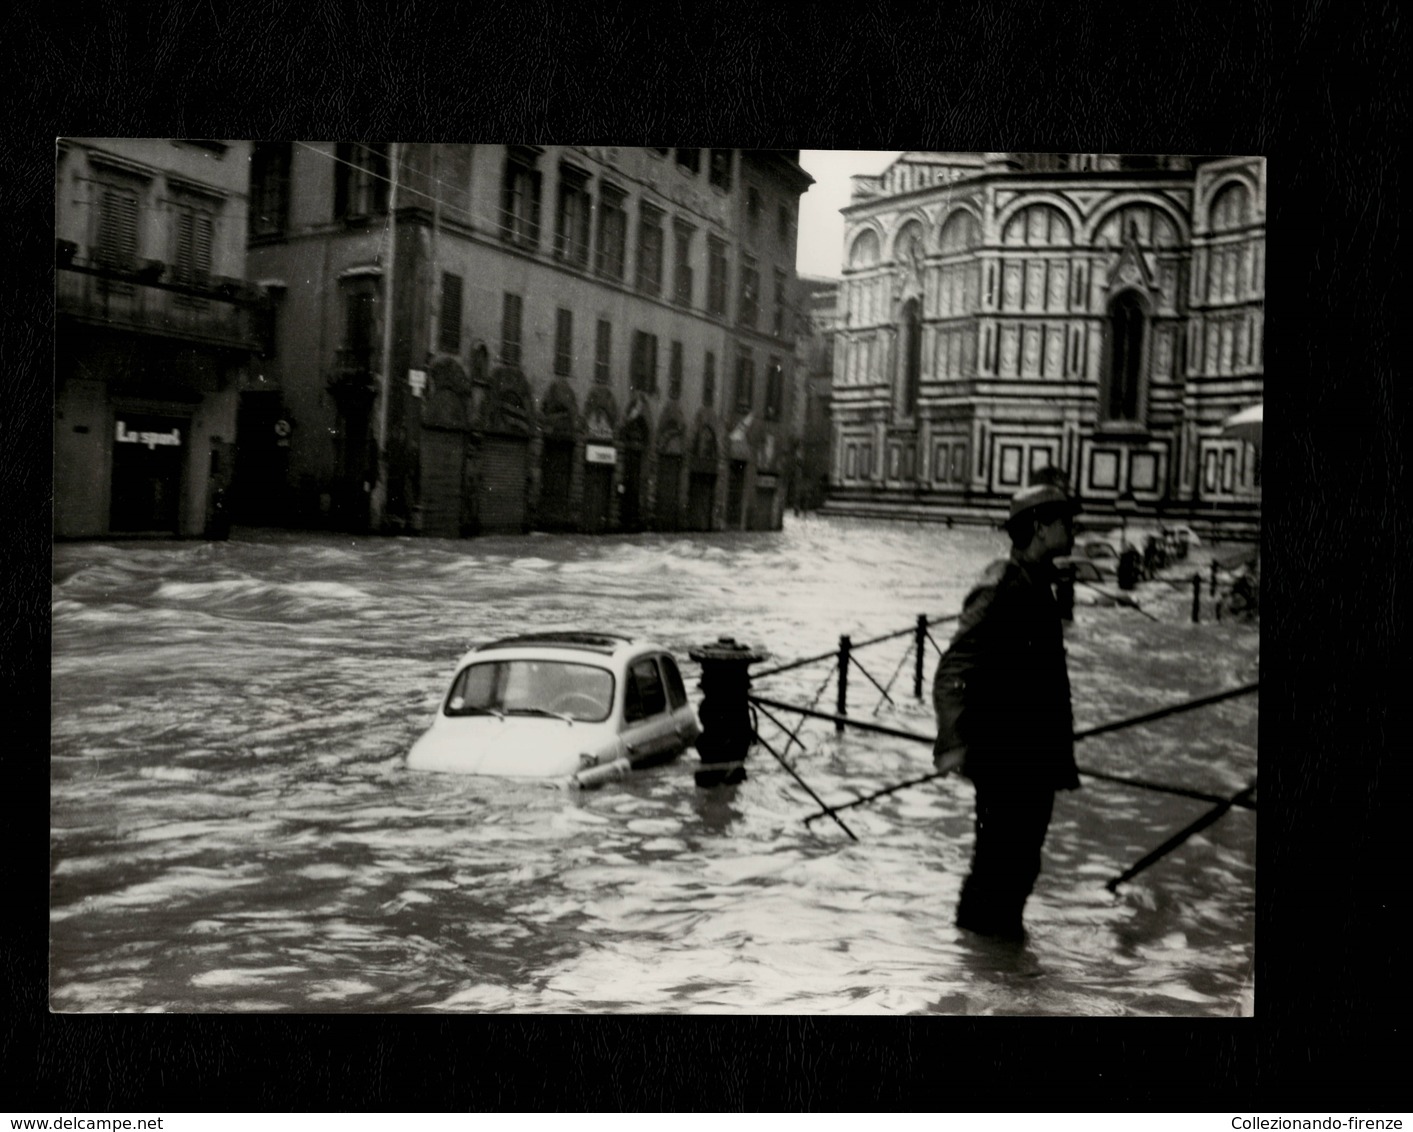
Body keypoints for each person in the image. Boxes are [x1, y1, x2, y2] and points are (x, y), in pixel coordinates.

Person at [933, 482, 1082, 941]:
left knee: (1021, 865)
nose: (1072, 530)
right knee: (997, 866)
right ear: (1039, 528)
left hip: (1033, 758)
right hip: (1005, 759)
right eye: (1064, 522)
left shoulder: (1039, 583)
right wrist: (954, 742)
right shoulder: (1000, 583)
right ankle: (977, 966)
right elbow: (954, 666)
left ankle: (997, 964)